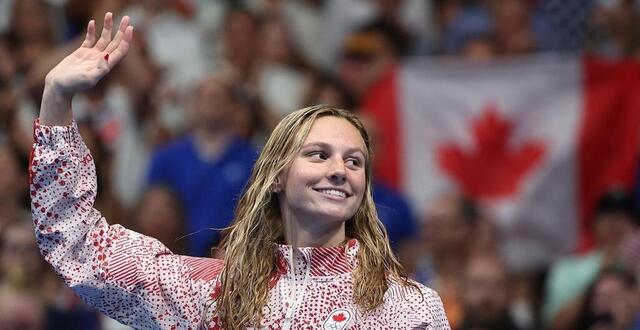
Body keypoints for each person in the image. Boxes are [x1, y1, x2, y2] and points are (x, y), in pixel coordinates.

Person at [31, 12, 450, 329]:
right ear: (278, 177)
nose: (340, 169)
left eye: (354, 160)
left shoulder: (408, 308)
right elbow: (80, 247)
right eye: (319, 154)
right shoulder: (215, 294)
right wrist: (55, 101)